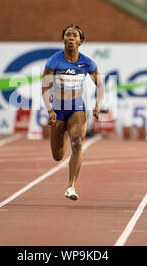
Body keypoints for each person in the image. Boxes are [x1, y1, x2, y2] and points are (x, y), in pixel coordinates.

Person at [42, 25, 104, 201]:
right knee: (57, 156)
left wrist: (98, 105)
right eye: (67, 35)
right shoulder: (54, 61)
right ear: (63, 39)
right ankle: (62, 137)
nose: (70, 38)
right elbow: (45, 86)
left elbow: (100, 84)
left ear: (80, 41)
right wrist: (50, 110)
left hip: (77, 108)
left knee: (77, 143)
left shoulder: (87, 62)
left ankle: (71, 186)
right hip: (58, 110)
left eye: (74, 35)